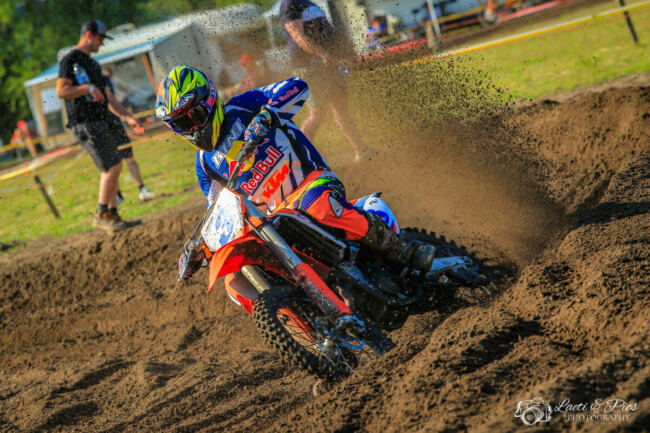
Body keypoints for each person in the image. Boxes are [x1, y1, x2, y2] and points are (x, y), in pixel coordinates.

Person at [154, 65, 436, 281]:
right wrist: (200, 250)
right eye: (182, 124)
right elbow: (218, 213)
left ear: (210, 100)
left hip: (311, 184)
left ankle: (400, 250)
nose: (192, 128)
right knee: (241, 273)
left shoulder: (243, 106)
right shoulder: (205, 164)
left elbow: (296, 86)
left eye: (193, 117)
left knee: (319, 208)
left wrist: (267, 114)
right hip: (277, 221)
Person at [56, 19, 143, 231]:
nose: (102, 43)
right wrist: (86, 88)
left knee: (115, 165)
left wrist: (128, 117)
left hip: (99, 121)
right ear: (89, 35)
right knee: (112, 166)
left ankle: (112, 216)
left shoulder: (93, 65)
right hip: (84, 123)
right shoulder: (69, 60)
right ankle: (102, 214)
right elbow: (61, 91)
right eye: (100, 38)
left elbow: (109, 97)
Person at [280, 0, 364, 161]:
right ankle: (295, 158)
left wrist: (339, 53)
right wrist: (323, 54)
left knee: (341, 107)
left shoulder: (308, 3)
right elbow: (297, 35)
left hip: (327, 63)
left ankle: (360, 150)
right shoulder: (289, 4)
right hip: (310, 65)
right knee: (318, 113)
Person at [103, 68, 155, 202]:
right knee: (112, 165)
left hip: (116, 125)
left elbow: (113, 102)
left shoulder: (104, 80)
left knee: (129, 159)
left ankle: (142, 189)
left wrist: (128, 117)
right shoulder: (87, 84)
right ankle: (118, 195)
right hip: (102, 129)